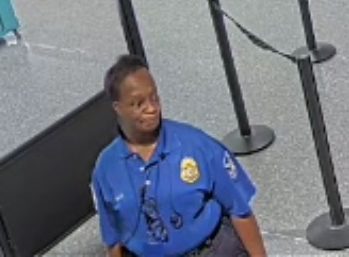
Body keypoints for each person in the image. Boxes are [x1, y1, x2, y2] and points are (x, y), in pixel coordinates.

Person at [91, 55, 267, 257]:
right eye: (138, 103)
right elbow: (113, 241)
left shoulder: (197, 146)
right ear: (118, 108)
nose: (152, 108)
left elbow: (240, 211)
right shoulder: (106, 169)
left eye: (154, 97)